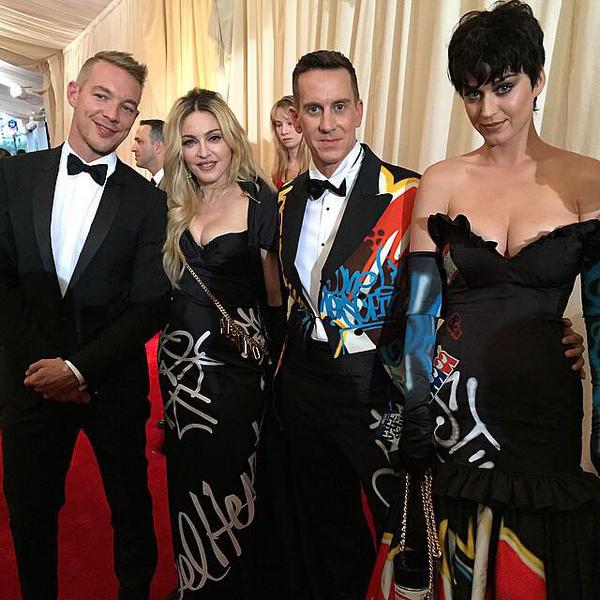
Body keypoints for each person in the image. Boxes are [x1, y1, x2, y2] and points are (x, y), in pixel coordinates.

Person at [405, 1, 600, 597]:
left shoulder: (588, 181)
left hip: (544, 412)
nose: (487, 110)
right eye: (472, 93)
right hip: (453, 411)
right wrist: (414, 411)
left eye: (503, 87)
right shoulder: (442, 180)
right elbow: (419, 312)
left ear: (537, 79)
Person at [0, 51, 169, 599]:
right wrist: (44, 367)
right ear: (73, 93)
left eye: (127, 106)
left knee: (131, 509)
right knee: (30, 512)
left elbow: (149, 303)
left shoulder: (150, 202)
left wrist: (76, 369)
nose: (112, 114)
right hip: (28, 381)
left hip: (111, 383)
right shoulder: (12, 176)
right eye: (102, 95)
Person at [158, 87, 284, 598]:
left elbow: (275, 299)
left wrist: (277, 377)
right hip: (180, 373)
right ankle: (196, 584)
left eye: (213, 138)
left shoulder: (259, 200)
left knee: (235, 480)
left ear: (232, 139)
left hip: (237, 372)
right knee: (187, 478)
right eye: (190, 142)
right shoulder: (173, 203)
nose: (204, 152)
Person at [269, 95, 310, 189]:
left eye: (290, 123)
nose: (284, 131)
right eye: (279, 125)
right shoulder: (278, 169)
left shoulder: (315, 167)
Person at [132, 118, 165, 187]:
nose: (133, 149)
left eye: (139, 142)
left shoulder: (177, 185)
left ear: (158, 147)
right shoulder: (157, 184)